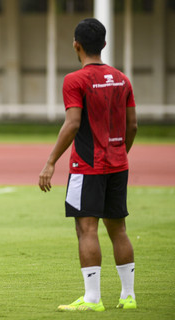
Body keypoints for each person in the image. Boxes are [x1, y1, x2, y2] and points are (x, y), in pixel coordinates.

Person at [38, 18, 138, 312]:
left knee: (86, 229)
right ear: (104, 45)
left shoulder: (75, 80)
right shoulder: (122, 78)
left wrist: (50, 162)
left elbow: (72, 124)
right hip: (119, 165)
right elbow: (132, 124)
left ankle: (93, 299)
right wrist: (121, 152)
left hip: (88, 167)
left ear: (76, 45)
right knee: (118, 229)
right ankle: (128, 296)